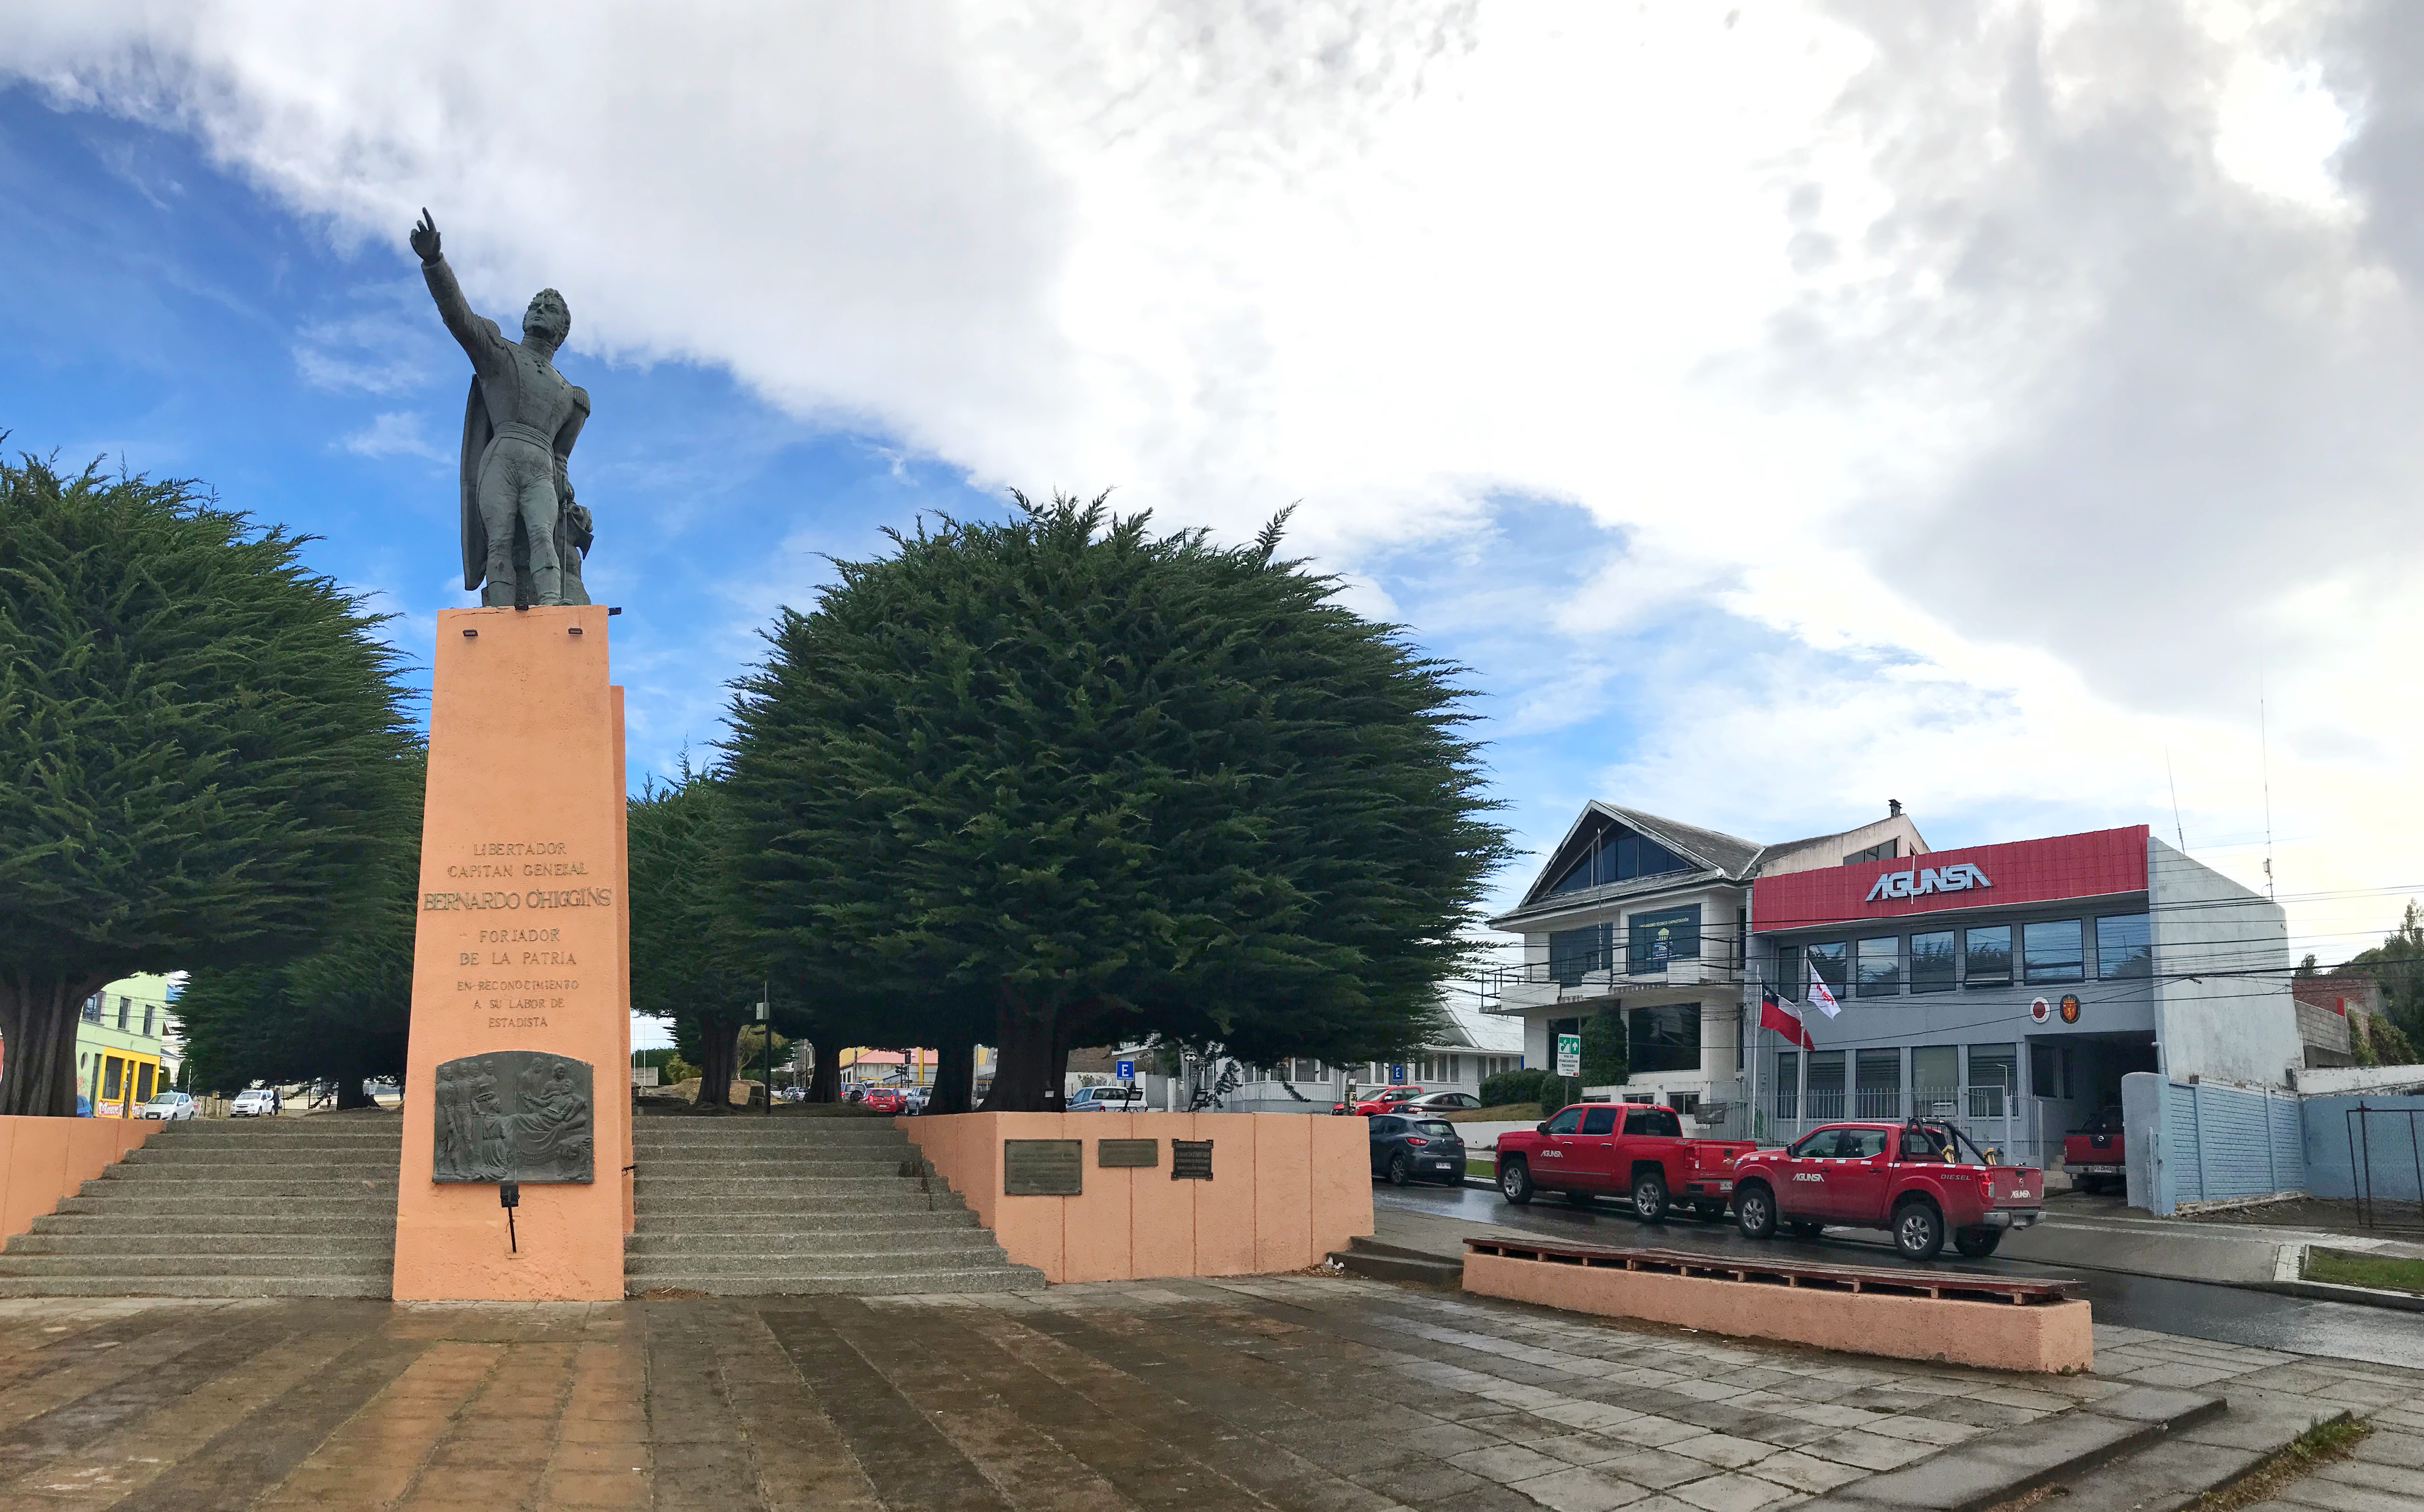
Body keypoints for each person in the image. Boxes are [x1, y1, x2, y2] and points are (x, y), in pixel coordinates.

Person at [409, 210, 593, 607]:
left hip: (540, 465)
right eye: (535, 305)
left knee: (543, 534)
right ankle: (500, 609)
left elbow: (560, 457)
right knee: (500, 541)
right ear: (525, 317)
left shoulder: (571, 395)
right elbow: (459, 317)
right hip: (502, 456)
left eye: (550, 309)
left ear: (562, 329)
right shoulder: (499, 353)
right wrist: (434, 263)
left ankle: (552, 602)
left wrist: (566, 490)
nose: (540, 309)